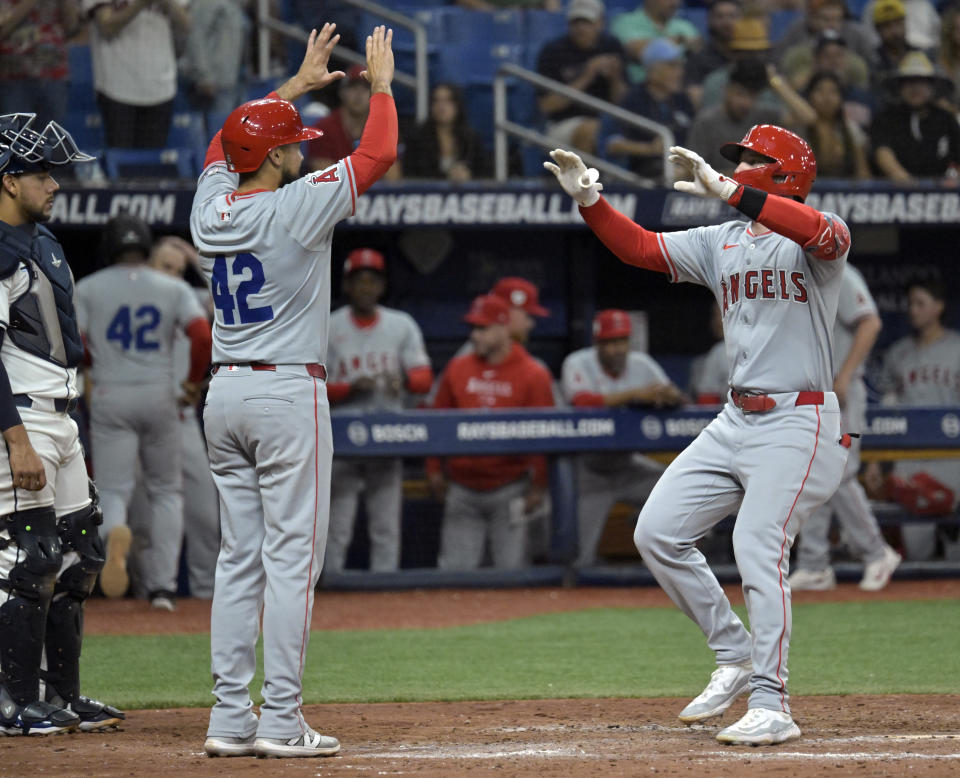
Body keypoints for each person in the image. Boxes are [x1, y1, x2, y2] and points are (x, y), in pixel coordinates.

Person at [545, 122, 852, 744]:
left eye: (749, 160)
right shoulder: (723, 240)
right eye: (733, 161)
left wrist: (724, 190)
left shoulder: (824, 235)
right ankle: (734, 653)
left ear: (783, 173)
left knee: (758, 543)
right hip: (736, 418)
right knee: (657, 532)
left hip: (800, 419)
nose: (736, 166)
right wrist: (589, 201)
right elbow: (641, 248)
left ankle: (772, 702)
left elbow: (815, 232)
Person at [191, 24, 397, 758]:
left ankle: (226, 717)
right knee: (290, 563)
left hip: (224, 395)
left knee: (237, 558)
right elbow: (377, 153)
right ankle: (279, 718)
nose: (301, 148)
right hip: (286, 394)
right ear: (275, 156)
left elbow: (223, 148)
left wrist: (288, 91)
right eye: (292, 143)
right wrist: (381, 88)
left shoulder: (209, 208)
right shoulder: (297, 203)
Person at [0, 113, 123, 735]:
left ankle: (62, 695)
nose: (54, 184)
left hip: (62, 418)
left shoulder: (44, 241)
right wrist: (14, 437)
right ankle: (12, 702)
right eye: (42, 173)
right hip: (17, 420)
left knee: (80, 557)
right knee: (30, 560)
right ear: (7, 179)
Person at [77, 213, 213, 611]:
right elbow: (202, 334)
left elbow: (75, 343)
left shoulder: (89, 287)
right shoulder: (171, 287)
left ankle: (115, 531)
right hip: (160, 394)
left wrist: (95, 363)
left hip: (110, 393)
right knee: (166, 491)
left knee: (115, 489)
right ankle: (163, 590)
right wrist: (191, 381)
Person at [789, 264, 901, 591]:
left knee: (839, 473)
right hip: (812, 391)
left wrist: (845, 376)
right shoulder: (793, 271)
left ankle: (877, 553)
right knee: (813, 474)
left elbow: (870, 323)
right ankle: (814, 563)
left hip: (842, 391)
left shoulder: (837, 270)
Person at [324, 248, 433, 573]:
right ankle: (330, 588)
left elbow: (424, 378)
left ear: (382, 286)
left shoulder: (401, 325)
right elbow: (306, 387)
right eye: (359, 281)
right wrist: (348, 388)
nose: (366, 287)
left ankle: (386, 595)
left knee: (386, 526)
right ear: (347, 285)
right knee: (336, 527)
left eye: (373, 280)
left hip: (387, 437)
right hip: (341, 439)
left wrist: (404, 380)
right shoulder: (327, 326)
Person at [427, 294, 555, 570]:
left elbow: (545, 434)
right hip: (462, 490)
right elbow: (435, 422)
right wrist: (434, 470)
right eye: (473, 328)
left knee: (512, 577)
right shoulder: (458, 368)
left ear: (503, 328)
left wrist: (539, 486)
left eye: (482, 329)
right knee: (453, 578)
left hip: (510, 489)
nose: (474, 336)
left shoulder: (534, 373)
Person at [133, 236, 220, 600]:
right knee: (142, 520)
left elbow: (225, 290)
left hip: (182, 419)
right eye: (166, 267)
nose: (173, 275)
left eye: (179, 271)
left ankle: (205, 596)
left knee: (205, 515)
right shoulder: (128, 299)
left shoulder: (188, 300)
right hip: (141, 422)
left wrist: (191, 256)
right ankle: (144, 597)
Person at [561, 309, 682, 565]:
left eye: (621, 341)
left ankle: (657, 540)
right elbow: (582, 402)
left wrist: (669, 396)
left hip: (629, 467)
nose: (616, 348)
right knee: (579, 560)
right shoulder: (577, 362)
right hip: (589, 473)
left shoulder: (641, 363)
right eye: (609, 342)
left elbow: (675, 395)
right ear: (597, 343)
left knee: (680, 492)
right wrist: (636, 395)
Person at [877, 279, 960, 561]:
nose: (913, 310)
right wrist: (877, 457)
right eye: (911, 304)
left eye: (921, 303)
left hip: (952, 454)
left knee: (956, 549)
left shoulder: (957, 348)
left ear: (939, 307)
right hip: (910, 454)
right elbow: (884, 413)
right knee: (916, 545)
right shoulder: (898, 353)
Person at [82, 0, 190, 148]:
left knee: (152, 164)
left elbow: (187, 24)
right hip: (116, 85)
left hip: (161, 85)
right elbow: (106, 27)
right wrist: (140, 4)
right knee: (121, 161)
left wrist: (168, 3)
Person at [535, 0, 628, 155]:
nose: (580, 28)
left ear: (600, 23)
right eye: (575, 23)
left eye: (587, 22)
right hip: (562, 124)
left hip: (609, 121)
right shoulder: (554, 51)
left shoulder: (611, 46)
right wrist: (587, 75)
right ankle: (587, 180)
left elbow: (623, 103)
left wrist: (615, 79)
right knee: (590, 129)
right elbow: (547, 105)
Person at [601, 37, 694, 181]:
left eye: (680, 66)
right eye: (672, 66)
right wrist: (649, 149)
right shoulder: (633, 100)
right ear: (653, 70)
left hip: (683, 170)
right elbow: (613, 144)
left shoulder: (682, 100)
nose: (679, 72)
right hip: (643, 173)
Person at [870, 52, 960, 184]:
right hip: (895, 192)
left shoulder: (945, 119)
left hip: (942, 193)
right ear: (900, 87)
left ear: (931, 86)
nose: (915, 88)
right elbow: (882, 149)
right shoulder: (886, 117)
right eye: (909, 82)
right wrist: (899, 175)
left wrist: (954, 178)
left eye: (921, 82)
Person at [305, 62, 399, 181]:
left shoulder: (383, 130)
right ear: (342, 92)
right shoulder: (323, 129)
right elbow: (325, 179)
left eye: (365, 88)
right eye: (353, 87)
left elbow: (393, 179)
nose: (359, 94)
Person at [687, 58, 782, 175]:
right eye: (740, 94)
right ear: (727, 90)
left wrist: (775, 81)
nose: (746, 103)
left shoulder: (762, 115)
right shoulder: (706, 122)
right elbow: (692, 172)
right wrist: (744, 175)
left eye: (752, 96)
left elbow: (807, 117)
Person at [0, 0, 80, 125]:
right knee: (15, 138)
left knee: (51, 140)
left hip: (54, 74)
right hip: (14, 76)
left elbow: (72, 27)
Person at [402, 83, 491, 181]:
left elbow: (484, 174)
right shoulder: (417, 138)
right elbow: (410, 175)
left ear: (458, 105)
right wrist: (447, 177)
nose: (441, 106)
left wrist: (468, 176)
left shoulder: (471, 138)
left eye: (448, 101)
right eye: (436, 101)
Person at [183, 0, 251, 118]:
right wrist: (204, 76)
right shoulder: (207, 3)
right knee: (220, 129)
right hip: (215, 83)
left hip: (234, 80)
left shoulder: (235, 4)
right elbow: (195, 36)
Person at [798, 71, 870, 179]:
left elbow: (863, 172)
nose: (827, 98)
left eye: (833, 92)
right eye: (820, 91)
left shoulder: (851, 129)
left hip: (844, 190)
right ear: (810, 95)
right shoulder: (799, 128)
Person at [611, 0, 701, 84]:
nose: (675, 3)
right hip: (641, 88)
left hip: (679, 88)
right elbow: (638, 51)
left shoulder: (684, 26)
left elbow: (700, 49)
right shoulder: (626, 22)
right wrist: (680, 40)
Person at [684, 0, 742, 108]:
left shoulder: (752, 56)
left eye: (732, 16)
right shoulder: (698, 59)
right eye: (720, 16)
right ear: (710, 20)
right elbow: (695, 98)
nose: (727, 22)